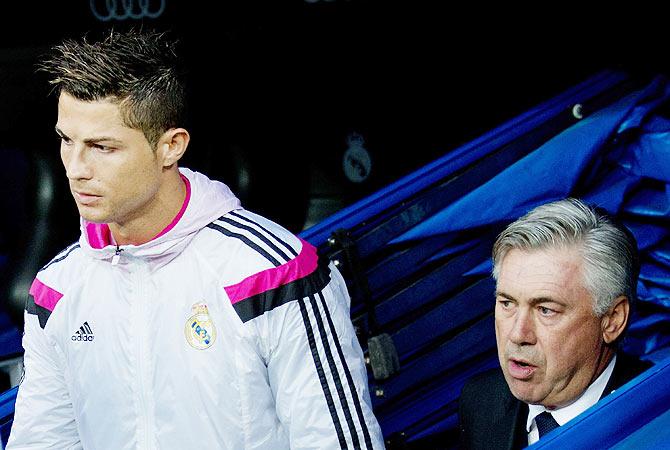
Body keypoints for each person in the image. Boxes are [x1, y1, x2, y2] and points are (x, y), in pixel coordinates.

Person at [7, 29, 384, 450]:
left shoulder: (272, 271)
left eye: (102, 147)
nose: (75, 168)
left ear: (171, 146)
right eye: (66, 141)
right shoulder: (56, 290)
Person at [458, 198, 651, 449]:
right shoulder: (481, 400)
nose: (517, 334)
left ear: (612, 320)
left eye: (546, 310)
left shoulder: (657, 417)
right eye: (507, 303)